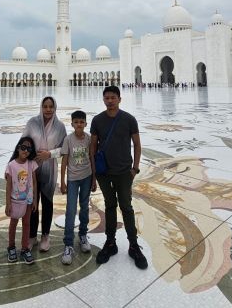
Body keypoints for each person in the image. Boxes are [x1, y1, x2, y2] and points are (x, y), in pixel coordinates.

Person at [90, 85, 148, 269]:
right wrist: (94, 172)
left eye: (113, 97)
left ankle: (133, 245)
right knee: (109, 206)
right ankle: (110, 243)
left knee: (126, 207)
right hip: (104, 173)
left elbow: (137, 145)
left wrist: (135, 169)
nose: (110, 101)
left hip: (124, 172)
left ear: (119, 99)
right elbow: (92, 147)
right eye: (106, 98)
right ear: (103, 100)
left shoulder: (129, 119)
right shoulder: (97, 120)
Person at [23, 95, 67, 252]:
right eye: (45, 106)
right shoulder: (32, 123)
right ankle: (32, 236)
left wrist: (49, 154)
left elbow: (64, 149)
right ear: (41, 107)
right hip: (32, 169)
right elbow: (23, 143)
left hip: (50, 169)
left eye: (51, 107)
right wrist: (12, 165)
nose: (48, 109)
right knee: (32, 202)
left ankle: (45, 236)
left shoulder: (60, 127)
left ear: (55, 108)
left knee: (47, 203)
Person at [59, 110, 96, 265]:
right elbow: (65, 161)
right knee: (71, 210)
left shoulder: (88, 139)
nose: (79, 124)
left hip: (87, 177)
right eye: (76, 122)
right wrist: (62, 181)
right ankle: (68, 244)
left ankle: (82, 235)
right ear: (72, 123)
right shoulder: (68, 140)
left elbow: (92, 157)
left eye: (82, 122)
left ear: (85, 124)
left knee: (85, 207)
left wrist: (94, 179)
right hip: (73, 179)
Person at [5, 136, 39, 264]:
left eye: (29, 149)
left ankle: (25, 249)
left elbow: (34, 182)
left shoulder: (31, 164)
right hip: (15, 201)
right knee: (13, 224)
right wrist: (8, 203)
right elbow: (8, 186)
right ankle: (11, 247)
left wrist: (35, 200)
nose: (25, 151)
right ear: (18, 148)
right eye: (23, 147)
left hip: (28, 201)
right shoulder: (11, 165)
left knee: (26, 224)